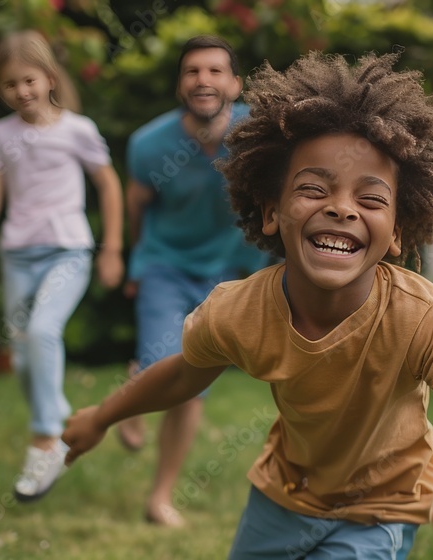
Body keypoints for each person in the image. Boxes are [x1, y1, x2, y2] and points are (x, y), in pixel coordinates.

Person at [63, 51, 433, 559]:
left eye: (370, 200)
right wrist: (101, 417)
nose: (341, 208)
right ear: (270, 212)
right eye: (313, 189)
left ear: (396, 232)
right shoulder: (241, 311)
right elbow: (179, 375)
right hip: (283, 497)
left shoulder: (420, 315)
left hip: (382, 506)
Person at [0, 30, 124, 503]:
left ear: (49, 78)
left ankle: (47, 438)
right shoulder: (1, 134)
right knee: (24, 356)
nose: (21, 92)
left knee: (44, 331)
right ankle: (57, 413)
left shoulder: (78, 130)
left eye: (29, 80)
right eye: (10, 85)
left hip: (68, 252)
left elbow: (108, 185)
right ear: (0, 90)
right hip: (17, 255)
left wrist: (111, 248)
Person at [113, 35, 269, 526]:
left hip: (225, 274)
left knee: (193, 383)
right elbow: (137, 206)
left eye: (215, 70)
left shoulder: (259, 133)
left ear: (235, 84)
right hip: (164, 264)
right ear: (181, 85)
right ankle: (137, 389)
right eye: (192, 71)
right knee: (174, 366)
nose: (203, 79)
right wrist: (136, 260)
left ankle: (159, 496)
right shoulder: (148, 144)